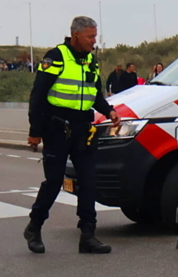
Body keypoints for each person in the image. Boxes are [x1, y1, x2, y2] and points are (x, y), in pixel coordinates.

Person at [24, 16, 121, 254]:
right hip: (57, 127)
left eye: (95, 36)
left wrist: (109, 111)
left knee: (88, 182)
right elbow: (38, 95)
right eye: (90, 36)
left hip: (83, 129)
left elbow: (94, 93)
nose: (94, 41)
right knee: (54, 181)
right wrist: (35, 132)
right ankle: (34, 227)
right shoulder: (56, 56)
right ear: (76, 35)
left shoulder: (90, 60)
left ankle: (88, 235)